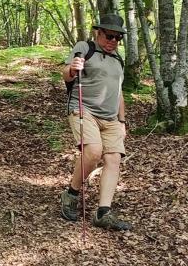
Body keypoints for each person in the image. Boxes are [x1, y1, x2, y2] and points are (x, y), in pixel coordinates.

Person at [60, 14, 132, 231]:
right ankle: (71, 193)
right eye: (109, 36)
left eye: (117, 37)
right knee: (93, 152)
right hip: (84, 109)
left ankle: (103, 212)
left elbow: (118, 93)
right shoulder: (85, 47)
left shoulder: (118, 59)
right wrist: (73, 68)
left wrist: (122, 121)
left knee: (113, 159)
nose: (113, 41)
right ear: (98, 33)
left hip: (111, 118)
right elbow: (66, 75)